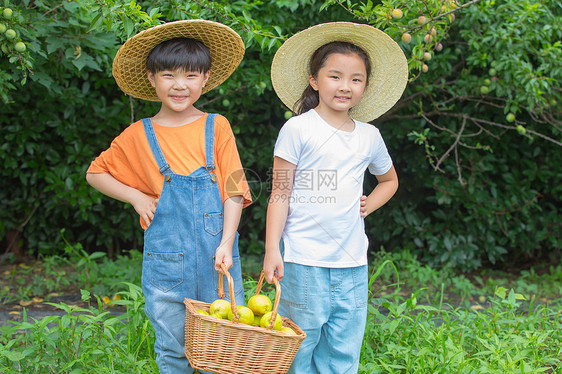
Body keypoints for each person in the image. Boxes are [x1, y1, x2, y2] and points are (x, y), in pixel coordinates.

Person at [86, 20, 252, 374]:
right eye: (169, 76)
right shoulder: (137, 134)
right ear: (151, 78)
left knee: (222, 349)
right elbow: (95, 173)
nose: (180, 85)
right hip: (167, 262)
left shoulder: (217, 125)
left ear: (205, 79)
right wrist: (135, 197)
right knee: (173, 351)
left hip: (217, 258)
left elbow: (235, 189)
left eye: (191, 75)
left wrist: (226, 241)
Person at [264, 22, 408, 373]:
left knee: (343, 352)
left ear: (365, 86)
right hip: (303, 260)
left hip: (352, 264)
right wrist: (271, 250)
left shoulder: (369, 136)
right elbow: (280, 192)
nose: (345, 86)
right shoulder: (298, 129)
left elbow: (388, 180)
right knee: (298, 348)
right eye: (335, 76)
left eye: (356, 79)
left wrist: (368, 203)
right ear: (314, 80)